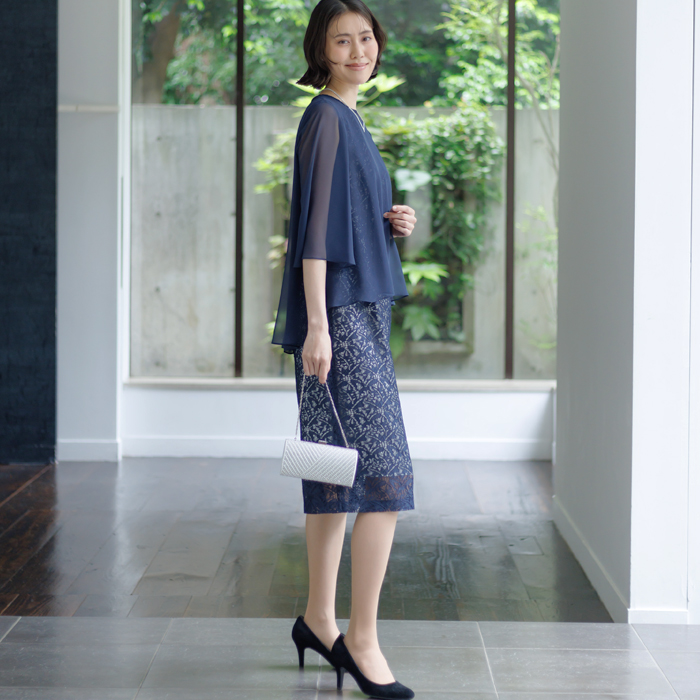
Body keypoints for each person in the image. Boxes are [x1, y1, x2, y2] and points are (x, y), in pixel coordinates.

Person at [272, 1, 417, 698]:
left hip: (357, 310)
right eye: (342, 41)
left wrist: (393, 222)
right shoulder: (327, 115)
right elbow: (313, 233)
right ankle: (361, 639)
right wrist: (319, 327)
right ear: (321, 51)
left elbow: (345, 219)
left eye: (366, 38)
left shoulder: (348, 118)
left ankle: (317, 619)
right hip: (340, 318)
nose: (359, 50)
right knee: (385, 477)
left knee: (331, 466)